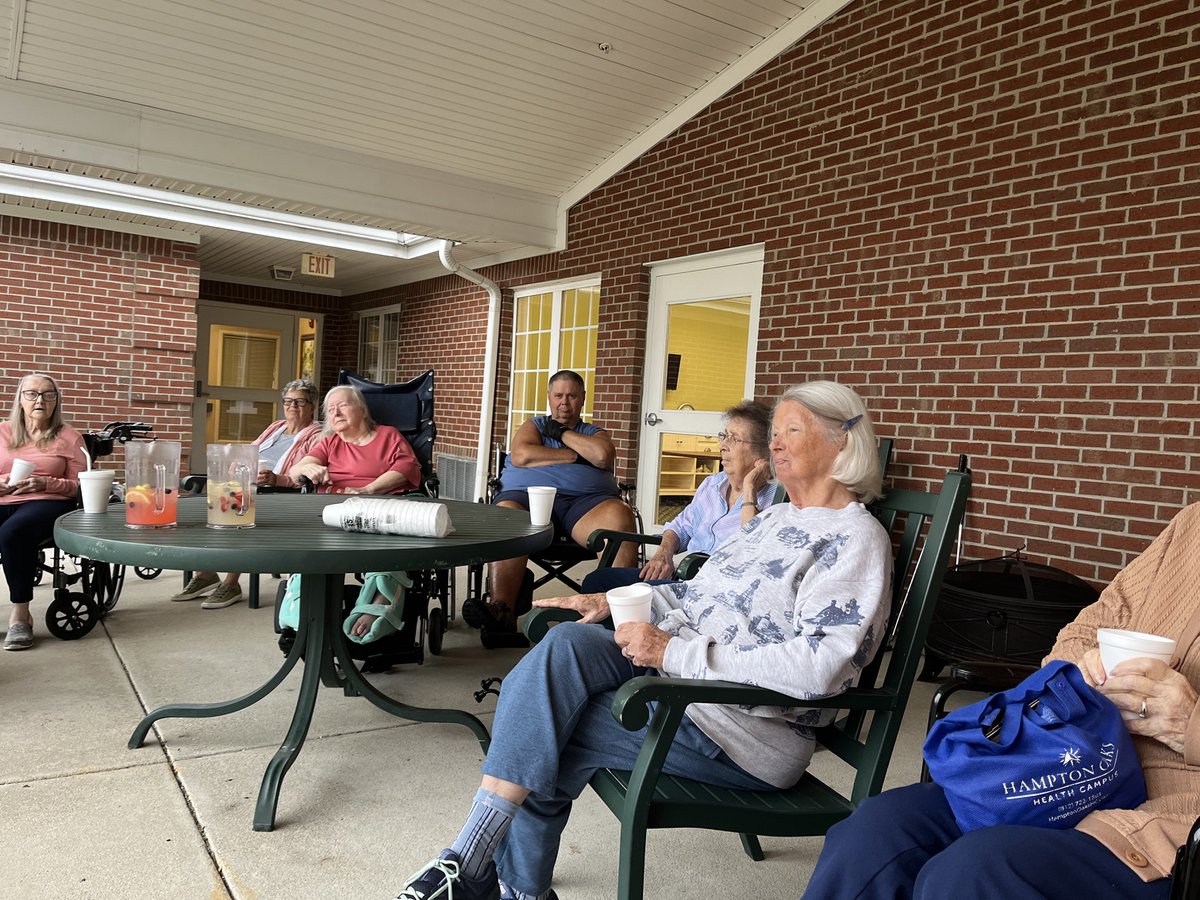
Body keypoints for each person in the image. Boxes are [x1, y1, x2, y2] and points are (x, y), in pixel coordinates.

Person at [394, 380, 890, 900]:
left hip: (737, 728)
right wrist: (615, 601)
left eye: (792, 430)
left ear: (842, 442)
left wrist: (674, 651)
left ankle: (497, 879)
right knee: (563, 648)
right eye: (776, 432)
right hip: (680, 682)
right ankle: (475, 868)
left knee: (550, 723)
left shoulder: (854, 539)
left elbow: (821, 667)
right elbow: (698, 593)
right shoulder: (774, 519)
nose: (776, 443)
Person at [800, 502, 1200, 900]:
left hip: (1171, 822)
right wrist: (1084, 668)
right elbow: (1081, 632)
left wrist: (1190, 722)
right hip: (1067, 770)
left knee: (971, 873)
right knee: (878, 830)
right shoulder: (1191, 527)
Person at [462, 370, 638, 643]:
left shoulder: (594, 432)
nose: (564, 402)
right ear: (549, 397)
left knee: (620, 516)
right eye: (558, 395)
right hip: (525, 498)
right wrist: (574, 455)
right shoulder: (535, 425)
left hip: (586, 504)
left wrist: (561, 433)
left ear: (583, 399)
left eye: (572, 396)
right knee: (506, 516)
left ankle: (617, 617)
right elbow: (522, 455)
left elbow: (603, 456)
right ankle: (501, 611)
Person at [580, 399, 775, 594]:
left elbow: (751, 550)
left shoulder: (774, 499)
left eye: (734, 439)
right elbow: (681, 526)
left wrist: (750, 487)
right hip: (682, 579)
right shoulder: (713, 485)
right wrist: (664, 553)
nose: (723, 445)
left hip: (713, 591)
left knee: (623, 598)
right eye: (724, 436)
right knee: (597, 581)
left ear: (762, 452)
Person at [285, 383, 423, 642]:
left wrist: (369, 489)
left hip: (379, 508)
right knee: (309, 551)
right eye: (330, 409)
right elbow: (295, 471)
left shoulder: (387, 435)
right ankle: (304, 605)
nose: (335, 413)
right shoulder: (329, 443)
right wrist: (307, 468)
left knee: (388, 549)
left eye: (342, 406)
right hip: (333, 513)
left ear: (362, 410)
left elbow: (407, 466)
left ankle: (380, 599)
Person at [171, 379, 323, 609]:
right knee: (208, 508)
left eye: (300, 402)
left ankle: (231, 583)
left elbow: (305, 475)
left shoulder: (317, 434)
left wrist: (276, 479)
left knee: (238, 511)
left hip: (277, 493)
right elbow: (247, 452)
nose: (293, 406)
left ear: (312, 406)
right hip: (246, 484)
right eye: (288, 401)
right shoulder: (276, 427)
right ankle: (206, 573)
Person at [1, 373, 85, 651]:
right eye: (32, 394)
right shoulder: (2, 432)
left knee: (14, 531)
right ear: (20, 399)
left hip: (48, 501)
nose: (40, 400)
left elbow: (80, 487)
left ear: (56, 401)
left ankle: (20, 615)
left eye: (48, 394)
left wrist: (46, 483)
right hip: (4, 499)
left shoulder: (69, 437)